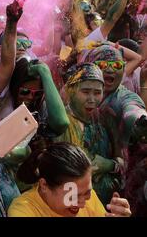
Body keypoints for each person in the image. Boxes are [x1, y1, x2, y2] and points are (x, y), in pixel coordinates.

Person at [55, 63, 121, 204]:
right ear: (71, 91)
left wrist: (109, 165)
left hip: (106, 203)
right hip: (73, 201)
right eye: (85, 92)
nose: (92, 99)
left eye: (97, 93)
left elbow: (123, 160)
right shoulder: (62, 124)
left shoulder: (105, 118)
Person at [9, 142, 131, 217]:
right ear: (44, 185)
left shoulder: (83, 193)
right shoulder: (22, 210)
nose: (83, 203)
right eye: (72, 197)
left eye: (87, 193)